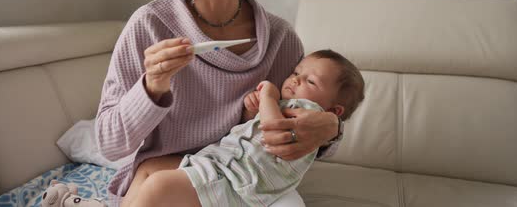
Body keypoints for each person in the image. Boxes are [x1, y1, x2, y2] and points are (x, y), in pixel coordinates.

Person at [95, 0, 343, 206]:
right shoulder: (149, 25)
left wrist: (331, 128)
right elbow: (109, 144)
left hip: (243, 181)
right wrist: (152, 86)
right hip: (167, 178)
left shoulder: (281, 38)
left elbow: (308, 129)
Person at [127, 50, 366, 206]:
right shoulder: (287, 106)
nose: (295, 80)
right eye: (296, 73)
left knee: (158, 186)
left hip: (236, 184)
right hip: (221, 165)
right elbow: (255, 136)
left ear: (334, 112)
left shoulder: (308, 113)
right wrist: (251, 114)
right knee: (151, 166)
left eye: (310, 81)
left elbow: (274, 132)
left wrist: (268, 98)